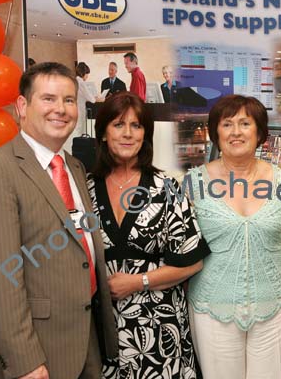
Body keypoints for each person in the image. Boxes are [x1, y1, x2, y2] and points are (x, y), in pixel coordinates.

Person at [0, 62, 118, 378]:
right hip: (38, 354)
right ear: (23, 105)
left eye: (68, 100)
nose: (60, 109)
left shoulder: (75, 167)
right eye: (48, 99)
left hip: (86, 340)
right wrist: (26, 362)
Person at [87, 91, 210, 378]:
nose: (128, 134)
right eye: (119, 125)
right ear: (103, 133)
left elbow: (192, 262)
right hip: (102, 329)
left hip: (158, 327)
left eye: (137, 126)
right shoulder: (86, 188)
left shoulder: (165, 187)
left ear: (146, 134)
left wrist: (137, 282)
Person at [187, 95, 281, 379]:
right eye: (227, 124)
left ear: (259, 133)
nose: (236, 131)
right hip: (212, 306)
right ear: (215, 133)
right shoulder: (193, 183)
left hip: (273, 307)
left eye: (245, 123)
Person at [64, 61, 103, 153]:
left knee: (74, 131)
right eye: (87, 74)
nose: (87, 76)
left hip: (72, 109)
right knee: (78, 131)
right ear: (84, 73)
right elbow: (91, 99)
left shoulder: (73, 81)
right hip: (79, 110)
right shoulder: (81, 83)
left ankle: (72, 150)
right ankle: (78, 152)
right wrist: (99, 98)